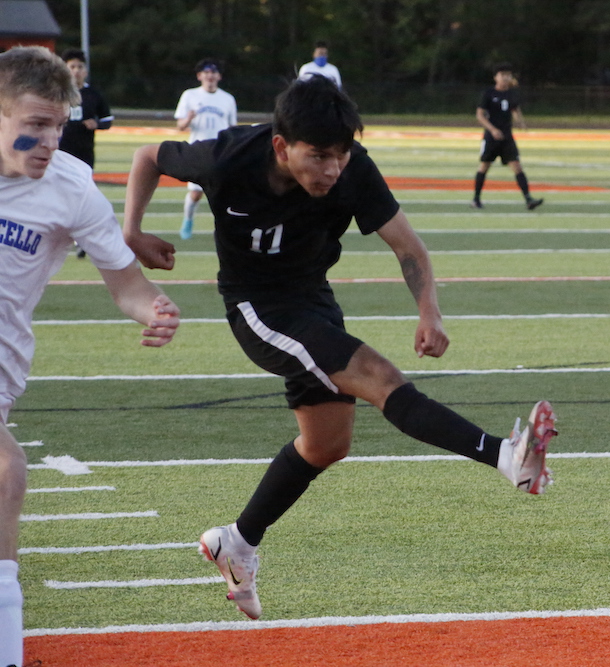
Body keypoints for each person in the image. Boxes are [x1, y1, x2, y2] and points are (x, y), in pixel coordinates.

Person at [122, 75, 556, 621]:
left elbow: (407, 245)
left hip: (313, 300)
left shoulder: (354, 169)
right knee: (379, 376)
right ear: (282, 146)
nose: (332, 168)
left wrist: (429, 311)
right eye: (320, 155)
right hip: (258, 307)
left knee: (327, 444)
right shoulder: (229, 156)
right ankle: (505, 456)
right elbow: (145, 156)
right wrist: (132, 231)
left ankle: (235, 541)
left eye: (342, 154)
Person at [0, 46, 180, 667]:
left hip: (2, 369)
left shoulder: (71, 185)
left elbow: (126, 286)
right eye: (34, 124)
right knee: (5, 471)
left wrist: (152, 309)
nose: (49, 139)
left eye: (58, 124)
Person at [59, 49, 115, 260]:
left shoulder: (93, 95)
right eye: (71, 67)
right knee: (59, 195)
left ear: (86, 70)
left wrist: (97, 123)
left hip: (83, 154)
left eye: (79, 67)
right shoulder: (56, 92)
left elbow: (108, 119)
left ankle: (80, 239)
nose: (75, 71)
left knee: (82, 197)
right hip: (57, 153)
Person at [174, 58, 237, 240]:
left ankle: (225, 229)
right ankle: (188, 219)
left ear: (219, 76)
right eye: (206, 72)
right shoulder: (190, 95)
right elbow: (180, 126)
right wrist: (189, 118)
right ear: (199, 76)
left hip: (220, 150)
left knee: (223, 194)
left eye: (213, 72)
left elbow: (232, 127)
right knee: (195, 193)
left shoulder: (227, 99)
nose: (210, 76)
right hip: (198, 149)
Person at [471, 63, 543, 210]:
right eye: (502, 75)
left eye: (508, 75)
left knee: (517, 166)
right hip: (491, 137)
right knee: (484, 166)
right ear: (496, 77)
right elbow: (480, 115)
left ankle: (528, 199)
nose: (505, 78)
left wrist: (521, 123)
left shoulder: (511, 93)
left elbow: (515, 110)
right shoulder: (489, 93)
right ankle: (476, 199)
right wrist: (492, 129)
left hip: (507, 137)